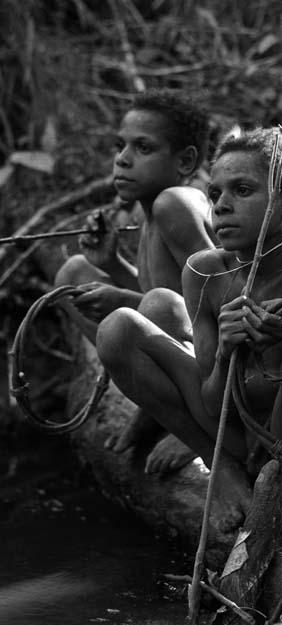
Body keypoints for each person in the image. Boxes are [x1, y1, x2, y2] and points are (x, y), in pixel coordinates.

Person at [95, 126, 282, 530]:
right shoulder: (204, 272)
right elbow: (214, 400)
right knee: (117, 329)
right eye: (215, 195)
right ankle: (222, 467)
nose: (222, 206)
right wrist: (229, 349)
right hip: (236, 429)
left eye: (242, 190)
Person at [55, 88, 216, 455]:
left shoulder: (175, 203)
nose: (123, 160)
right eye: (120, 146)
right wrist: (112, 265)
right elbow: (167, 292)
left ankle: (196, 427)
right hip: (182, 347)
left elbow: (221, 301)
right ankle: (155, 403)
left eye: (143, 148)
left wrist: (125, 298)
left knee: (155, 306)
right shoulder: (153, 210)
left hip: (216, 372)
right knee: (75, 274)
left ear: (185, 161)